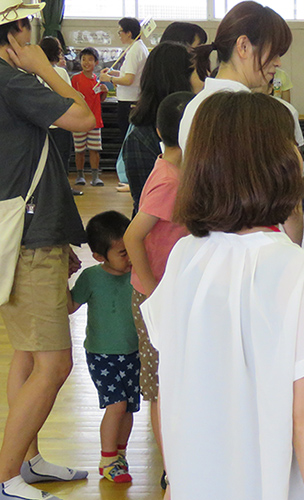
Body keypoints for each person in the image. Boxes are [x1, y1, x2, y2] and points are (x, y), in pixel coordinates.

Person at [141, 91, 304, 500]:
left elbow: (176, 390)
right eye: (293, 148)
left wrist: (173, 483)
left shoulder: (185, 255)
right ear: (273, 164)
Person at [0, 6, 96, 499]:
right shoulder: (14, 81)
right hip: (32, 237)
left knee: (29, 356)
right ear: (15, 33)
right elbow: (82, 117)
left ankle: (27, 461)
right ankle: (5, 474)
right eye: (28, 29)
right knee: (54, 364)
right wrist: (43, 68)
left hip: (32, 233)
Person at [184, 0, 304, 244]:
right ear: (243, 46)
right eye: (275, 52)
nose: (279, 62)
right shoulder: (258, 115)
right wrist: (294, 255)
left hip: (209, 246)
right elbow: (291, 208)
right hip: (259, 249)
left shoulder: (195, 106)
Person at [122, 90, 194, 491]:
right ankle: (172, 469)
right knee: (161, 389)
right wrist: (154, 295)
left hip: (172, 295)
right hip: (156, 299)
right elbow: (134, 236)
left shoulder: (177, 170)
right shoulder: (168, 179)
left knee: (173, 383)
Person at [66, 211, 139, 484]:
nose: (130, 257)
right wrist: (59, 277)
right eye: (123, 252)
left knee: (130, 407)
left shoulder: (137, 273)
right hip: (102, 355)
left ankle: (120, 455)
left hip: (133, 352)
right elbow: (70, 307)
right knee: (116, 404)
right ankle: (107, 459)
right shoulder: (91, 277)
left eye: (132, 248)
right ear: (99, 256)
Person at [122, 41, 203, 214]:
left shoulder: (196, 121)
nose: (204, 78)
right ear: (180, 77)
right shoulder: (141, 138)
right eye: (197, 72)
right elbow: (145, 201)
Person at [37, 37, 81, 196]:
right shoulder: (60, 72)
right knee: (62, 158)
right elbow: (68, 98)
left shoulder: (36, 72)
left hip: (42, 124)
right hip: (61, 124)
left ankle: (45, 191)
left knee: (44, 159)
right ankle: (62, 190)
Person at [99, 17, 149, 140]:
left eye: (120, 31)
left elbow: (128, 80)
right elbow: (132, 74)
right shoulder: (138, 47)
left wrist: (109, 79)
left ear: (129, 33)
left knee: (127, 137)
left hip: (129, 101)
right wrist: (115, 73)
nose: (119, 35)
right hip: (133, 99)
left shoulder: (134, 51)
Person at [70, 47, 108, 187]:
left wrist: (104, 90)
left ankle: (95, 176)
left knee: (94, 150)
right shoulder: (75, 79)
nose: (86, 62)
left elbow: (100, 100)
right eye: (83, 59)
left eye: (90, 59)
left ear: (96, 62)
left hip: (95, 122)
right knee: (79, 150)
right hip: (78, 121)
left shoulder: (97, 81)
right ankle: (80, 175)